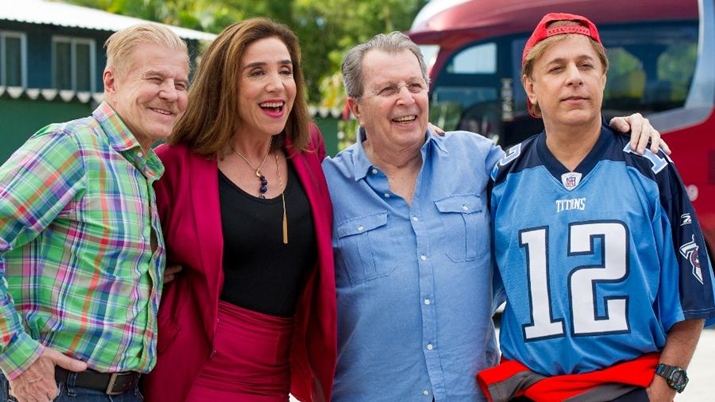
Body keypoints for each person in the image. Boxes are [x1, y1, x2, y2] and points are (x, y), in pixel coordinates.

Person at [321, 30, 667, 402]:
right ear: (356, 108)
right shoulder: (326, 187)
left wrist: (617, 128)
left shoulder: (480, 160)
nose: (406, 99)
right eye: (388, 90)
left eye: (414, 86)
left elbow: (556, 170)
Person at [479, 13, 715, 402]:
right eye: (556, 67)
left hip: (629, 389)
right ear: (531, 87)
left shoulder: (649, 166)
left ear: (603, 79)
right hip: (532, 392)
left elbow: (693, 296)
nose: (574, 77)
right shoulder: (501, 178)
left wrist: (665, 387)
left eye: (586, 65)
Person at [140, 18, 336, 402]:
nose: (277, 84)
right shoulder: (174, 165)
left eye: (286, 70)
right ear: (225, 85)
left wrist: (419, 141)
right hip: (198, 370)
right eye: (257, 72)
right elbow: (130, 247)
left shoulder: (309, 147)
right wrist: (148, 271)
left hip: (279, 372)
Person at [0, 23, 189, 402]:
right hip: (57, 389)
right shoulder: (72, 147)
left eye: (181, 84)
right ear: (112, 81)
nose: (170, 94)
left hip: (123, 391)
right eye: (155, 78)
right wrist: (18, 358)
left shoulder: (141, 167)